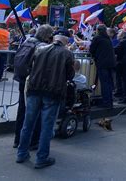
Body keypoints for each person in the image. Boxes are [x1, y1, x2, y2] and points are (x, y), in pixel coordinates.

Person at [16, 29, 74, 169]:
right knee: (47, 126)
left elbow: (30, 66)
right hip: (52, 92)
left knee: (28, 123)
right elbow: (70, 75)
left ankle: (21, 153)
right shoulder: (67, 53)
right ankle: (41, 157)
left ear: (54, 38)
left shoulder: (40, 49)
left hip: (34, 89)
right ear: (66, 40)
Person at [13, 24, 53, 149]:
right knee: (35, 112)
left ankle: (17, 140)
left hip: (21, 79)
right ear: (47, 36)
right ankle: (33, 141)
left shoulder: (26, 42)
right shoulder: (41, 47)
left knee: (22, 110)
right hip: (33, 82)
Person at [90, 25, 116, 108]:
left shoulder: (97, 38)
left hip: (102, 63)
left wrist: (94, 55)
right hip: (110, 63)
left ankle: (106, 102)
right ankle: (110, 101)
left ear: (98, 30)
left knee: (104, 83)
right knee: (108, 83)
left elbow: (91, 49)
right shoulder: (108, 38)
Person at [114, 30, 126, 104]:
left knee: (125, 82)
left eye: (118, 33)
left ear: (122, 35)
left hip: (124, 65)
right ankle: (124, 97)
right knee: (125, 81)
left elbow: (116, 50)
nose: (117, 35)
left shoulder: (123, 42)